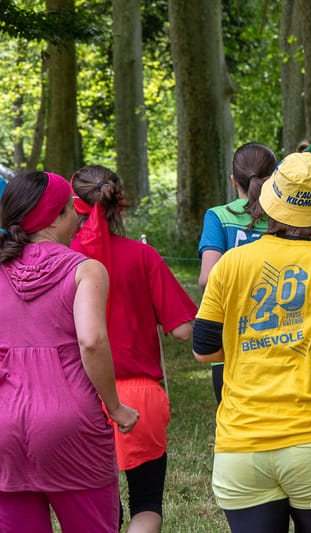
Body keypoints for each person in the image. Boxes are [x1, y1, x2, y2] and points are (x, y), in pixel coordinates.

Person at [192, 151, 311, 533]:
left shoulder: (229, 265)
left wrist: (253, 343)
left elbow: (203, 350)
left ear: (268, 201)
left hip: (242, 444)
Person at [0, 171, 139, 533]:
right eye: (69, 209)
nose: (78, 216)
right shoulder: (85, 270)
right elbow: (91, 341)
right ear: (54, 217)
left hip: (4, 425)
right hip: (71, 424)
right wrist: (116, 407)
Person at [70, 165, 198, 533]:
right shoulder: (143, 256)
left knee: (97, 510)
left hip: (82, 395)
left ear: (74, 207)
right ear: (119, 205)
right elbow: (183, 330)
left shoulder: (64, 263)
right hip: (141, 399)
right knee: (146, 503)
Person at [197, 142, 278, 403]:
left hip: (228, 343)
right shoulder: (287, 219)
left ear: (234, 180)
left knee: (235, 428)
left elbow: (208, 279)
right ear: (274, 178)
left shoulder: (218, 216)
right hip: (283, 338)